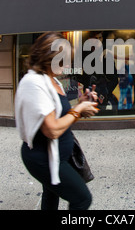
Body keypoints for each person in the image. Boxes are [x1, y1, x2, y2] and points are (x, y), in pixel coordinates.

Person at [15, 32, 99, 210]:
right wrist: (78, 111)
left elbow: (61, 116)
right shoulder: (33, 82)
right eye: (63, 60)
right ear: (48, 57)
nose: (68, 64)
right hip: (43, 157)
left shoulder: (52, 81)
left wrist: (82, 103)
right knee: (82, 199)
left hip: (57, 155)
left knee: (51, 195)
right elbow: (51, 129)